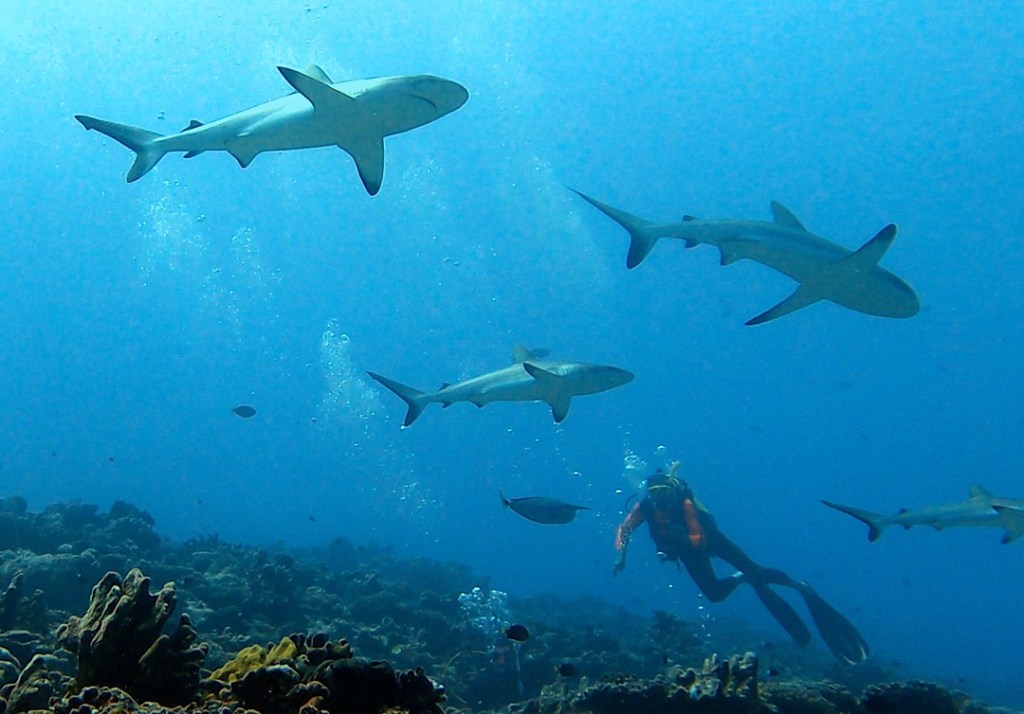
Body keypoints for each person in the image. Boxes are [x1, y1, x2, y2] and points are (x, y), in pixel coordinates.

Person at [614, 462, 869, 665]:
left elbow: (698, 538)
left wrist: (680, 537)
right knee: (714, 594)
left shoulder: (685, 503)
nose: (660, 499)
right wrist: (621, 555)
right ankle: (741, 578)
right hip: (688, 554)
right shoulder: (646, 507)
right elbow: (624, 529)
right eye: (655, 494)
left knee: (756, 571)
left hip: (712, 540)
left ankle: (798, 585)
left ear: (671, 490)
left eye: (663, 493)